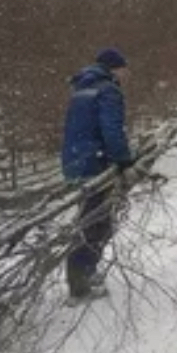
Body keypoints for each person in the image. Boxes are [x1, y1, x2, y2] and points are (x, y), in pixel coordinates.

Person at [60, 47, 134, 301]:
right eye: (124, 69)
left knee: (97, 220)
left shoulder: (82, 88)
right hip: (93, 162)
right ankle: (78, 286)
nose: (126, 75)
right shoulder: (108, 90)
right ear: (114, 68)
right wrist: (124, 159)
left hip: (75, 160)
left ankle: (87, 271)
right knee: (94, 223)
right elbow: (111, 129)